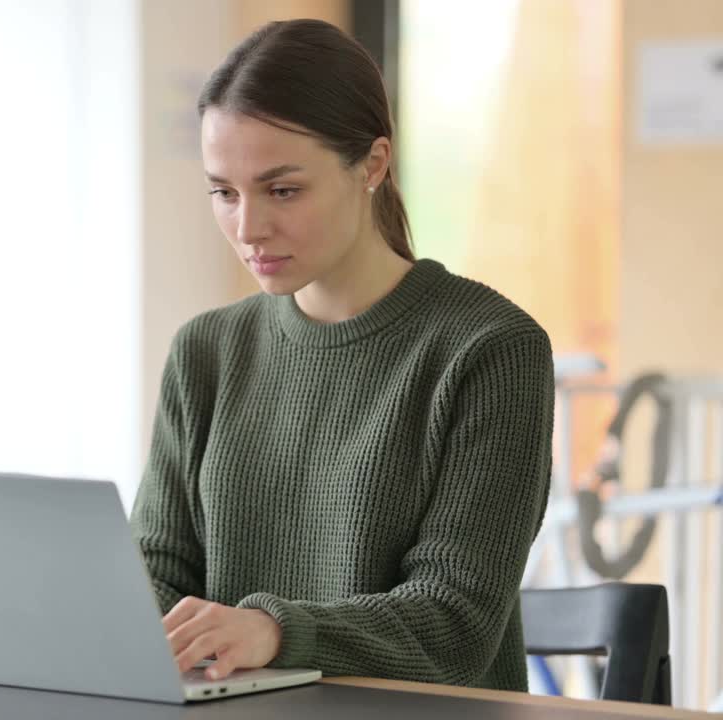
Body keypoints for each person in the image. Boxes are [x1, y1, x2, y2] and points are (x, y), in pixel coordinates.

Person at [130, 19, 554, 692]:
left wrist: (272, 631)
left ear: (373, 165)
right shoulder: (204, 352)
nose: (248, 227)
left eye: (283, 189)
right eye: (223, 191)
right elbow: (156, 580)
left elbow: (454, 625)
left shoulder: (490, 349)